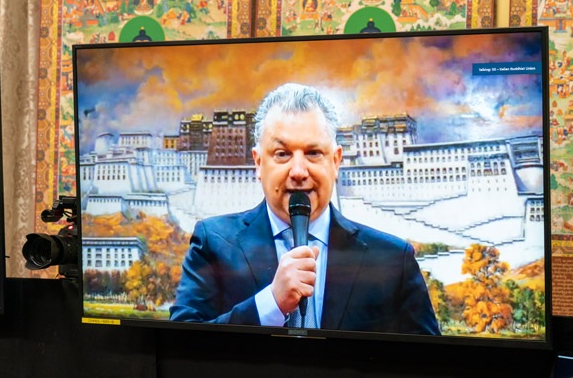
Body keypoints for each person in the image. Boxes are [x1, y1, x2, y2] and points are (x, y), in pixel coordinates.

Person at [169, 83, 440, 335]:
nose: (298, 172)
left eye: (313, 153)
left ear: (335, 162)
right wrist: (271, 303)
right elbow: (178, 348)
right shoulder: (213, 243)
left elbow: (432, 366)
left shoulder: (393, 260)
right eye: (282, 154)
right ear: (258, 163)